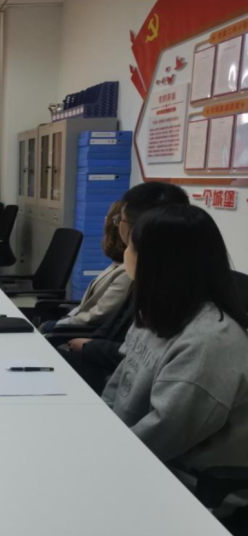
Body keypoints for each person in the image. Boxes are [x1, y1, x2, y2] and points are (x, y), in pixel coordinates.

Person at [102, 204, 248, 493]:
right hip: (134, 456)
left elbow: (163, 435)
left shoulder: (209, 343)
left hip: (185, 485)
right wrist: (97, 430)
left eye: (131, 246)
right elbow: (119, 383)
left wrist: (99, 457)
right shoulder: (158, 313)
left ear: (156, 262)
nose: (125, 253)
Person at [54, 181, 189, 394]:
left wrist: (91, 346)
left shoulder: (170, 293)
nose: (115, 225)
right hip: (113, 373)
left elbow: (138, 357)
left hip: (110, 370)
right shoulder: (149, 277)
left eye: (119, 220)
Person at [39, 200, 130, 333]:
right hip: (76, 324)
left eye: (108, 219)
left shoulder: (127, 272)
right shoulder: (119, 264)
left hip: (84, 334)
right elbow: (85, 307)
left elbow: (98, 315)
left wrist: (55, 325)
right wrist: (65, 319)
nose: (105, 222)